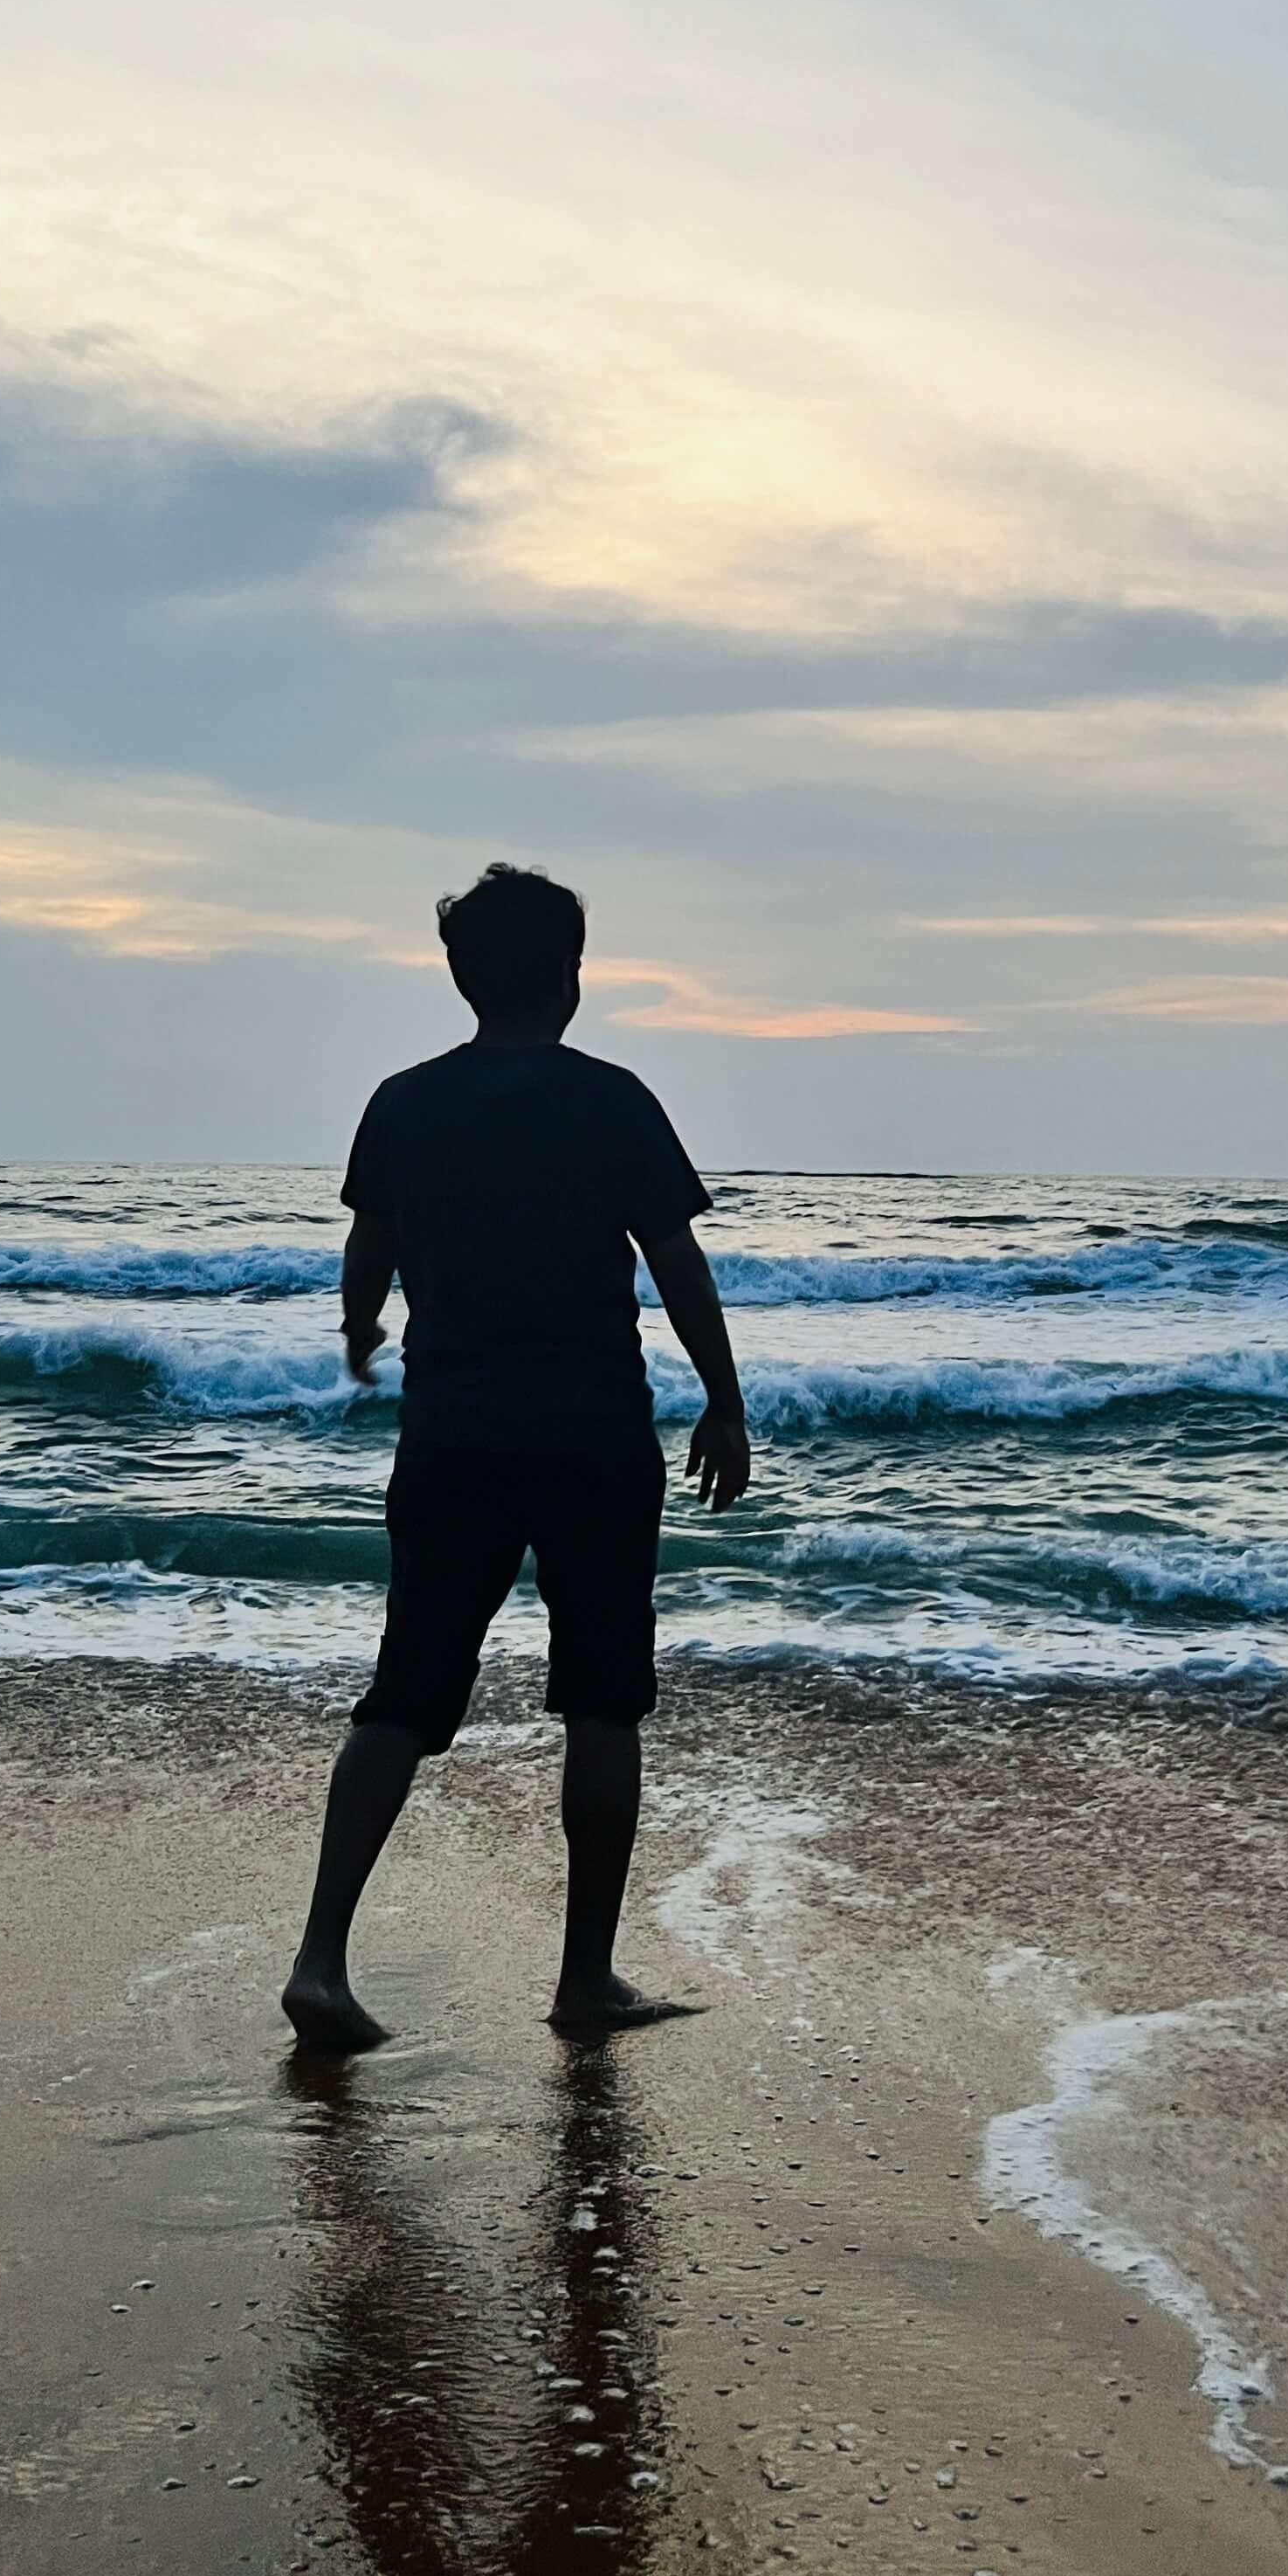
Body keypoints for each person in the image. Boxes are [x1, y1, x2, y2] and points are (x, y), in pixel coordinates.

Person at [281, 864, 752, 2052]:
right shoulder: (612, 1102)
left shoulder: (404, 1103)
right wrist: (725, 1399)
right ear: (570, 977)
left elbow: (367, 1250)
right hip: (592, 1433)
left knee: (405, 1689)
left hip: (451, 1437)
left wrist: (358, 1336)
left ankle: (322, 1960)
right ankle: (584, 1978)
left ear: (462, 976)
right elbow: (677, 1264)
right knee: (603, 1700)